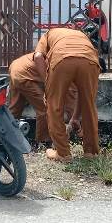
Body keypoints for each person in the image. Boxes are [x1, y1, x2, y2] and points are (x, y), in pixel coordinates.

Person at [33, 27, 101, 162]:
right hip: (90, 60)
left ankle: (63, 154)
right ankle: (91, 152)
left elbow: (38, 56)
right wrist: (75, 117)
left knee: (54, 106)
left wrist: (47, 82)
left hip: (61, 59)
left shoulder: (48, 34)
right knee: (89, 105)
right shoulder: (79, 34)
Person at [8, 53, 79, 148]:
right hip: (25, 73)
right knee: (45, 109)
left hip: (15, 67)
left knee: (14, 109)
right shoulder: (69, 71)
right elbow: (71, 102)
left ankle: (2, 136)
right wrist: (75, 123)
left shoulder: (63, 59)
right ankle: (43, 142)